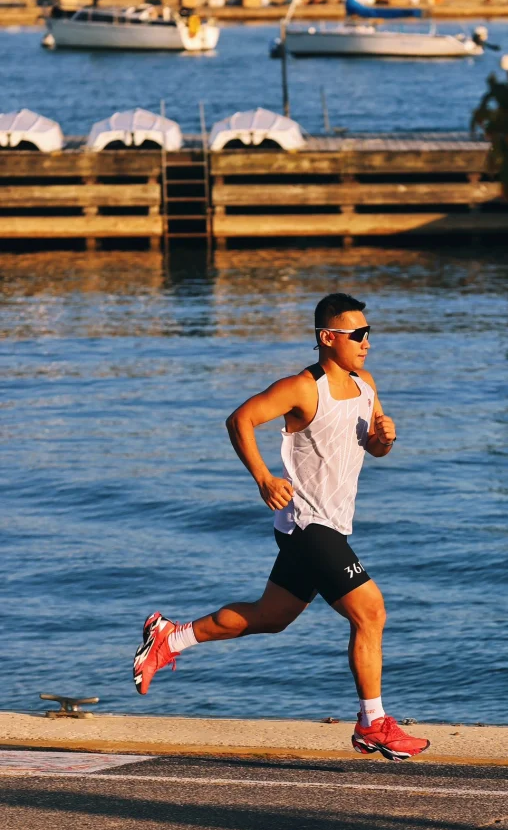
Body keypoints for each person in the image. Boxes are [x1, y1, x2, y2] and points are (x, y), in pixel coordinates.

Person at [131, 292, 429, 762]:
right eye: (357, 335)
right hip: (306, 523)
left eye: (369, 333)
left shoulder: (365, 384)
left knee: (271, 617)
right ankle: (373, 722)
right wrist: (263, 478)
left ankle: (171, 637)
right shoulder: (302, 387)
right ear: (328, 338)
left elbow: (372, 448)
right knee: (370, 611)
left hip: (331, 524)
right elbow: (241, 419)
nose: (366, 342)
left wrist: (383, 439)